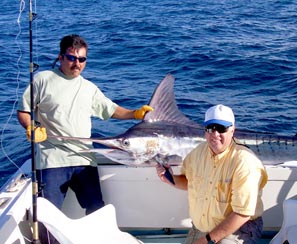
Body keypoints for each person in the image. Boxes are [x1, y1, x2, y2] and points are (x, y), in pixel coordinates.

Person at [17, 34, 153, 243]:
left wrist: (135, 113)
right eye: (71, 58)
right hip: (52, 159)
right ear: (60, 57)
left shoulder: (88, 88)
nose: (76, 64)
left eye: (82, 59)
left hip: (84, 160)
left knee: (97, 210)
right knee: (48, 217)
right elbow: (24, 111)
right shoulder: (42, 80)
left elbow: (111, 110)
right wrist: (32, 127)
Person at [156, 104, 268, 244]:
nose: (215, 134)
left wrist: (207, 240)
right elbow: (188, 182)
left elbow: (242, 213)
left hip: (239, 229)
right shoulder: (197, 154)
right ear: (205, 131)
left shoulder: (245, 162)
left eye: (221, 129)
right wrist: (169, 178)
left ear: (232, 130)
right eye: (210, 128)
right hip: (201, 228)